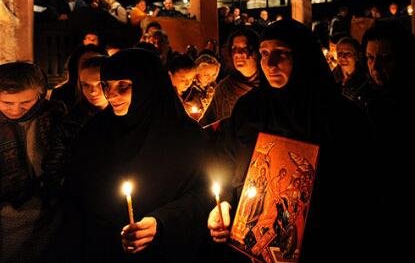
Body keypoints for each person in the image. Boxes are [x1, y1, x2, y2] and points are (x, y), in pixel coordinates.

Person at [207, 19, 364, 262]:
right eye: (264, 53)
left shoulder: (341, 117)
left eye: (281, 54)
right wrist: (224, 204)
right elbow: (227, 160)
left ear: (303, 57)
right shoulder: (249, 108)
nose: (269, 64)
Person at [61, 48, 210, 262]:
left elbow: (204, 195)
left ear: (148, 86)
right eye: (107, 86)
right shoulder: (94, 132)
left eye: (124, 86)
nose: (111, 95)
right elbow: (77, 193)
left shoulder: (187, 137)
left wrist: (161, 222)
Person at [0, 61, 66, 262]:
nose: (15, 110)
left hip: (50, 210)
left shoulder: (55, 116)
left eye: (25, 102)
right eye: (7, 103)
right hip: (6, 213)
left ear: (41, 94)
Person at [200, 28, 260, 128]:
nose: (237, 53)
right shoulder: (224, 89)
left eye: (244, 48)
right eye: (234, 49)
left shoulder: (270, 87)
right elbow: (206, 123)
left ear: (256, 52)